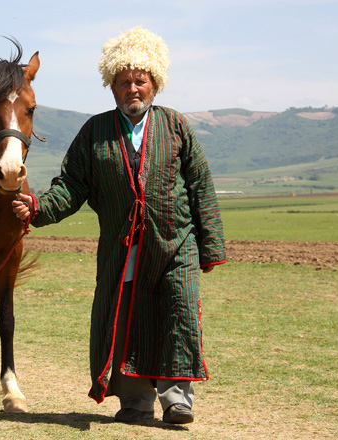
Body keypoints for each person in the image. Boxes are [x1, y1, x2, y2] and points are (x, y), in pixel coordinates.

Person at [12, 26, 226, 425]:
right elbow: (71, 187)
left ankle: (177, 400)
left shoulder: (176, 125)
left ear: (155, 85)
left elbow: (201, 185)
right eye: (124, 82)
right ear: (111, 87)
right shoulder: (94, 132)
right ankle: (136, 403)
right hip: (121, 248)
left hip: (176, 244)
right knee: (127, 317)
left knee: (176, 314)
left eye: (140, 81)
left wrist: (211, 247)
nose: (133, 89)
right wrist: (38, 208)